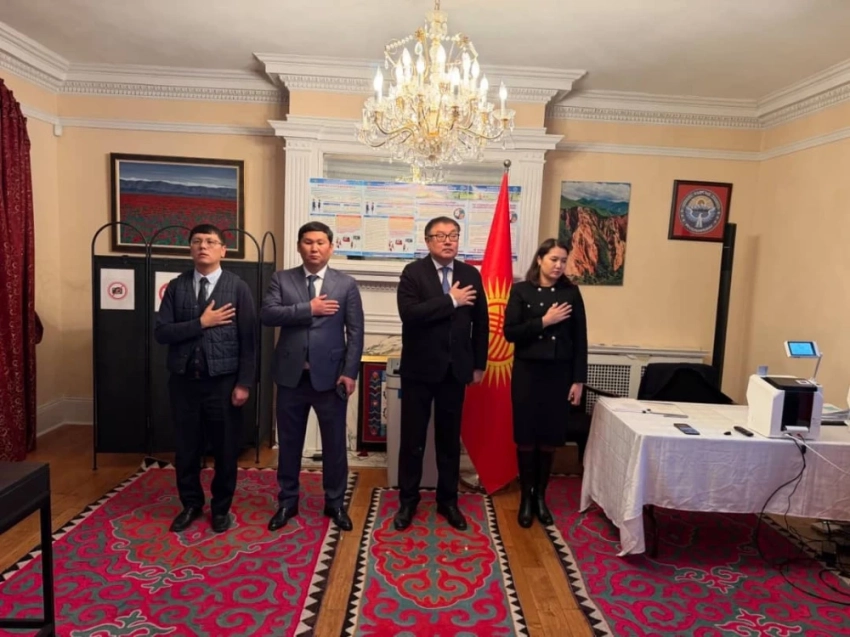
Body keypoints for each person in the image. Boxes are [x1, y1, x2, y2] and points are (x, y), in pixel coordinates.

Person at [261, 221, 364, 532]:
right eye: (308, 242)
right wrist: (309, 308)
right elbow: (268, 314)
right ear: (298, 246)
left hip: (331, 379)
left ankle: (335, 503)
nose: (314, 248)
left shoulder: (346, 284)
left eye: (320, 242)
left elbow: (355, 332)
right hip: (290, 376)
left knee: (334, 445)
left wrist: (349, 372)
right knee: (289, 443)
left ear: (331, 247)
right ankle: (287, 502)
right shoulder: (282, 279)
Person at [154, 224, 256, 534]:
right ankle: (191, 504)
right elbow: (162, 332)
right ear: (190, 249)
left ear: (223, 250)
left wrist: (244, 383)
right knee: (186, 448)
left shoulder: (238, 287)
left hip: (223, 384)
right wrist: (201, 322)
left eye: (211, 241)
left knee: (225, 449)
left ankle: (221, 508)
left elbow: (249, 340)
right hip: (184, 383)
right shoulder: (177, 286)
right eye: (197, 241)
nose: (203, 246)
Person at [393, 216, 489, 531]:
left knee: (448, 442)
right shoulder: (413, 273)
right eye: (441, 235)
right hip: (419, 371)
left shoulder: (470, 274)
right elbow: (410, 315)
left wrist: (478, 364)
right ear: (428, 241)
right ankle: (408, 501)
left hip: (455, 371)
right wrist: (451, 300)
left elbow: (481, 323)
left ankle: (448, 501)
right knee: (413, 441)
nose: (448, 241)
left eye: (453, 235)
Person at [504, 238, 588, 528]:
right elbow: (510, 332)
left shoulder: (571, 292)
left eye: (563, 260)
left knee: (550, 439)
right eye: (553, 259)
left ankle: (541, 496)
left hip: (559, 375)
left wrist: (578, 380)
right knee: (527, 438)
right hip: (528, 373)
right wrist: (545, 321)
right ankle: (526, 498)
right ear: (540, 259)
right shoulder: (521, 291)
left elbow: (580, 340)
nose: (559, 265)